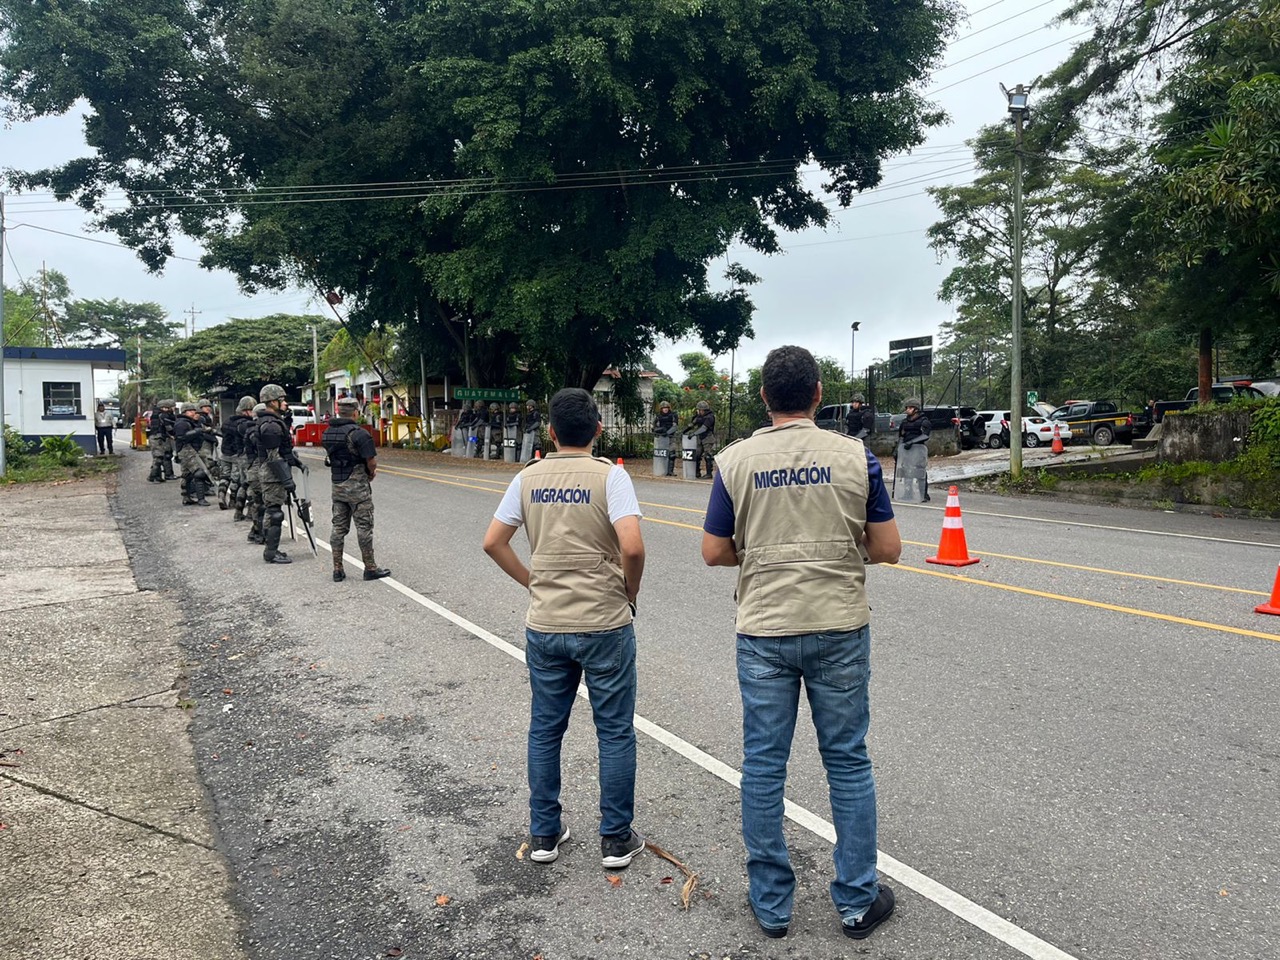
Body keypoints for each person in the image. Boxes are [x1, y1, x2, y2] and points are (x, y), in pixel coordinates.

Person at [700, 345, 902, 942]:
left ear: (764, 398)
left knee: (764, 765)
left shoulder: (735, 461)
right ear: (818, 394)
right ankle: (858, 900)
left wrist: (763, 555)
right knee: (847, 760)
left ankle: (772, 904)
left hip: (764, 629)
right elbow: (888, 548)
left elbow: (714, 551)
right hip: (838, 625)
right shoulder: (855, 457)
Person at [482, 388, 647, 870]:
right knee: (614, 730)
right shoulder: (611, 477)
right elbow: (632, 548)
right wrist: (628, 591)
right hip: (603, 622)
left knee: (545, 728)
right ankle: (615, 838)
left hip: (547, 621)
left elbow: (494, 542)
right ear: (598, 430)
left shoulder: (528, 477)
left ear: (550, 433)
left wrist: (534, 582)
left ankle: (543, 833)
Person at [322, 396, 391, 582]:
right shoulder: (360, 434)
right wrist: (370, 474)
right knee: (364, 527)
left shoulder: (327, 432)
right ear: (355, 412)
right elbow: (372, 462)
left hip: (337, 486)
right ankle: (370, 567)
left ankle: (337, 569)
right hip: (358, 489)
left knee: (338, 527)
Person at [256, 384, 305, 565]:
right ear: (272, 402)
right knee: (275, 513)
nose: (285, 404)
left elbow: (283, 450)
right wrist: (286, 479)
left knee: (274, 511)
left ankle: (271, 549)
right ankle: (271, 552)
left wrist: (293, 460)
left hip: (273, 473)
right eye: (282, 400)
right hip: (272, 475)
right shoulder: (270, 425)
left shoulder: (274, 422)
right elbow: (273, 457)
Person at [172, 403, 212, 506]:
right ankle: (200, 498)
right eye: (190, 411)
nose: (193, 412)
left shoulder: (191, 422)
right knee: (199, 473)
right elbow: (181, 437)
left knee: (187, 475)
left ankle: (186, 497)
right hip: (186, 451)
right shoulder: (182, 423)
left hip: (192, 450)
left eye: (193, 410)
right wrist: (196, 431)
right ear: (185, 412)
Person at [224, 396, 256, 521]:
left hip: (240, 455)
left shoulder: (234, 422)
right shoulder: (244, 424)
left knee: (243, 484)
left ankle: (238, 511)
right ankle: (249, 513)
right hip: (246, 456)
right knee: (252, 486)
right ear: (246, 410)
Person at [895, 399, 931, 503]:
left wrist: (912, 442)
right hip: (906, 450)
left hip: (918, 449)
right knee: (906, 471)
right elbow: (901, 436)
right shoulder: (905, 422)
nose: (907, 410)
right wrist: (897, 450)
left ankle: (923, 494)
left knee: (920, 472)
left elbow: (925, 435)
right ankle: (908, 493)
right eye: (907, 408)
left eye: (910, 408)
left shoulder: (924, 421)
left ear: (916, 409)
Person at [243, 403, 268, 545]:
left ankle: (255, 531)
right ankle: (259, 533)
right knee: (260, 503)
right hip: (256, 470)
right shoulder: (254, 430)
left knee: (259, 502)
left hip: (256, 469)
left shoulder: (255, 428)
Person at [685, 400, 718, 478]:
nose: (698, 411)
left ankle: (709, 473)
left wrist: (694, 433)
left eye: (699, 410)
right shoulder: (699, 416)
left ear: (703, 410)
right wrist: (685, 431)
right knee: (697, 455)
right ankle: (697, 472)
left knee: (708, 455)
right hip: (700, 437)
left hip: (708, 437)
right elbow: (692, 424)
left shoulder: (710, 417)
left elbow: (704, 428)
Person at [146, 399, 177, 482]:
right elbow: (168, 427)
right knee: (158, 457)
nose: (173, 409)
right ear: (164, 408)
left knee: (160, 457)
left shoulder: (157, 414)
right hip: (157, 438)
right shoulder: (162, 415)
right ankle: (152, 476)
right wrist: (174, 434)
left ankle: (157, 477)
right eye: (170, 407)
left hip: (158, 437)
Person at [653, 401, 678, 475]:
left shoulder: (673, 415)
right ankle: (663, 470)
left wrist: (667, 433)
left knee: (672, 454)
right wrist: (660, 431)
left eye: (667, 408)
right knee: (662, 454)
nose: (665, 409)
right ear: (661, 409)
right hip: (661, 437)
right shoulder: (658, 417)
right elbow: (654, 428)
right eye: (664, 408)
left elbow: (675, 427)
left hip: (671, 437)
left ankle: (670, 471)